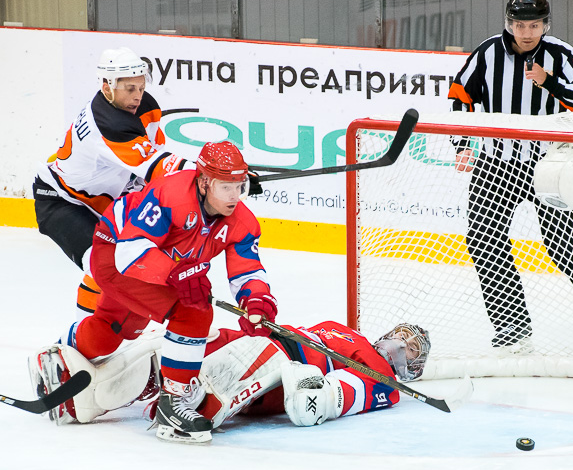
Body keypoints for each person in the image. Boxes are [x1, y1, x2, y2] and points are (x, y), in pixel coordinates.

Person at [29, 140, 276, 444]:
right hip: (114, 253)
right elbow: (130, 252)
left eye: (239, 186)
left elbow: (247, 269)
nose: (234, 196)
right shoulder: (169, 194)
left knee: (114, 330)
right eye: (226, 187)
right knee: (193, 310)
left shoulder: (243, 223)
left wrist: (256, 300)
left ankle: (59, 355)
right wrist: (177, 273)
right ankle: (173, 405)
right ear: (203, 181)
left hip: (152, 266)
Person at [447, 0, 573, 352]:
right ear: (509, 23)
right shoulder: (486, 53)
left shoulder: (560, 53)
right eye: (520, 25)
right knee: (483, 238)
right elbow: (460, 95)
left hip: (549, 168)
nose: (527, 33)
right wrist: (463, 143)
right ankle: (512, 326)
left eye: (535, 25)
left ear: (546, 24)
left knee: (563, 246)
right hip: (495, 163)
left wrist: (549, 82)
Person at [28, 319, 430, 434]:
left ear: (412, 368)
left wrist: (316, 392)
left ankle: (191, 412)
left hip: (276, 368)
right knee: (171, 344)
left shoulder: (386, 382)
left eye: (411, 349)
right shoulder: (344, 329)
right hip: (265, 337)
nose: (400, 343)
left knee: (254, 357)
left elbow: (341, 394)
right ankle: (82, 398)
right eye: (402, 334)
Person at [32, 47, 194, 319]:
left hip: (106, 201)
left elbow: (155, 155)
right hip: (62, 201)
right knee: (104, 265)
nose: (137, 96)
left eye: (141, 87)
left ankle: (125, 329)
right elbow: (156, 166)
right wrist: (208, 175)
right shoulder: (108, 123)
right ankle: (84, 334)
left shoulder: (143, 107)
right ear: (107, 86)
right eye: (130, 88)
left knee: (137, 257)